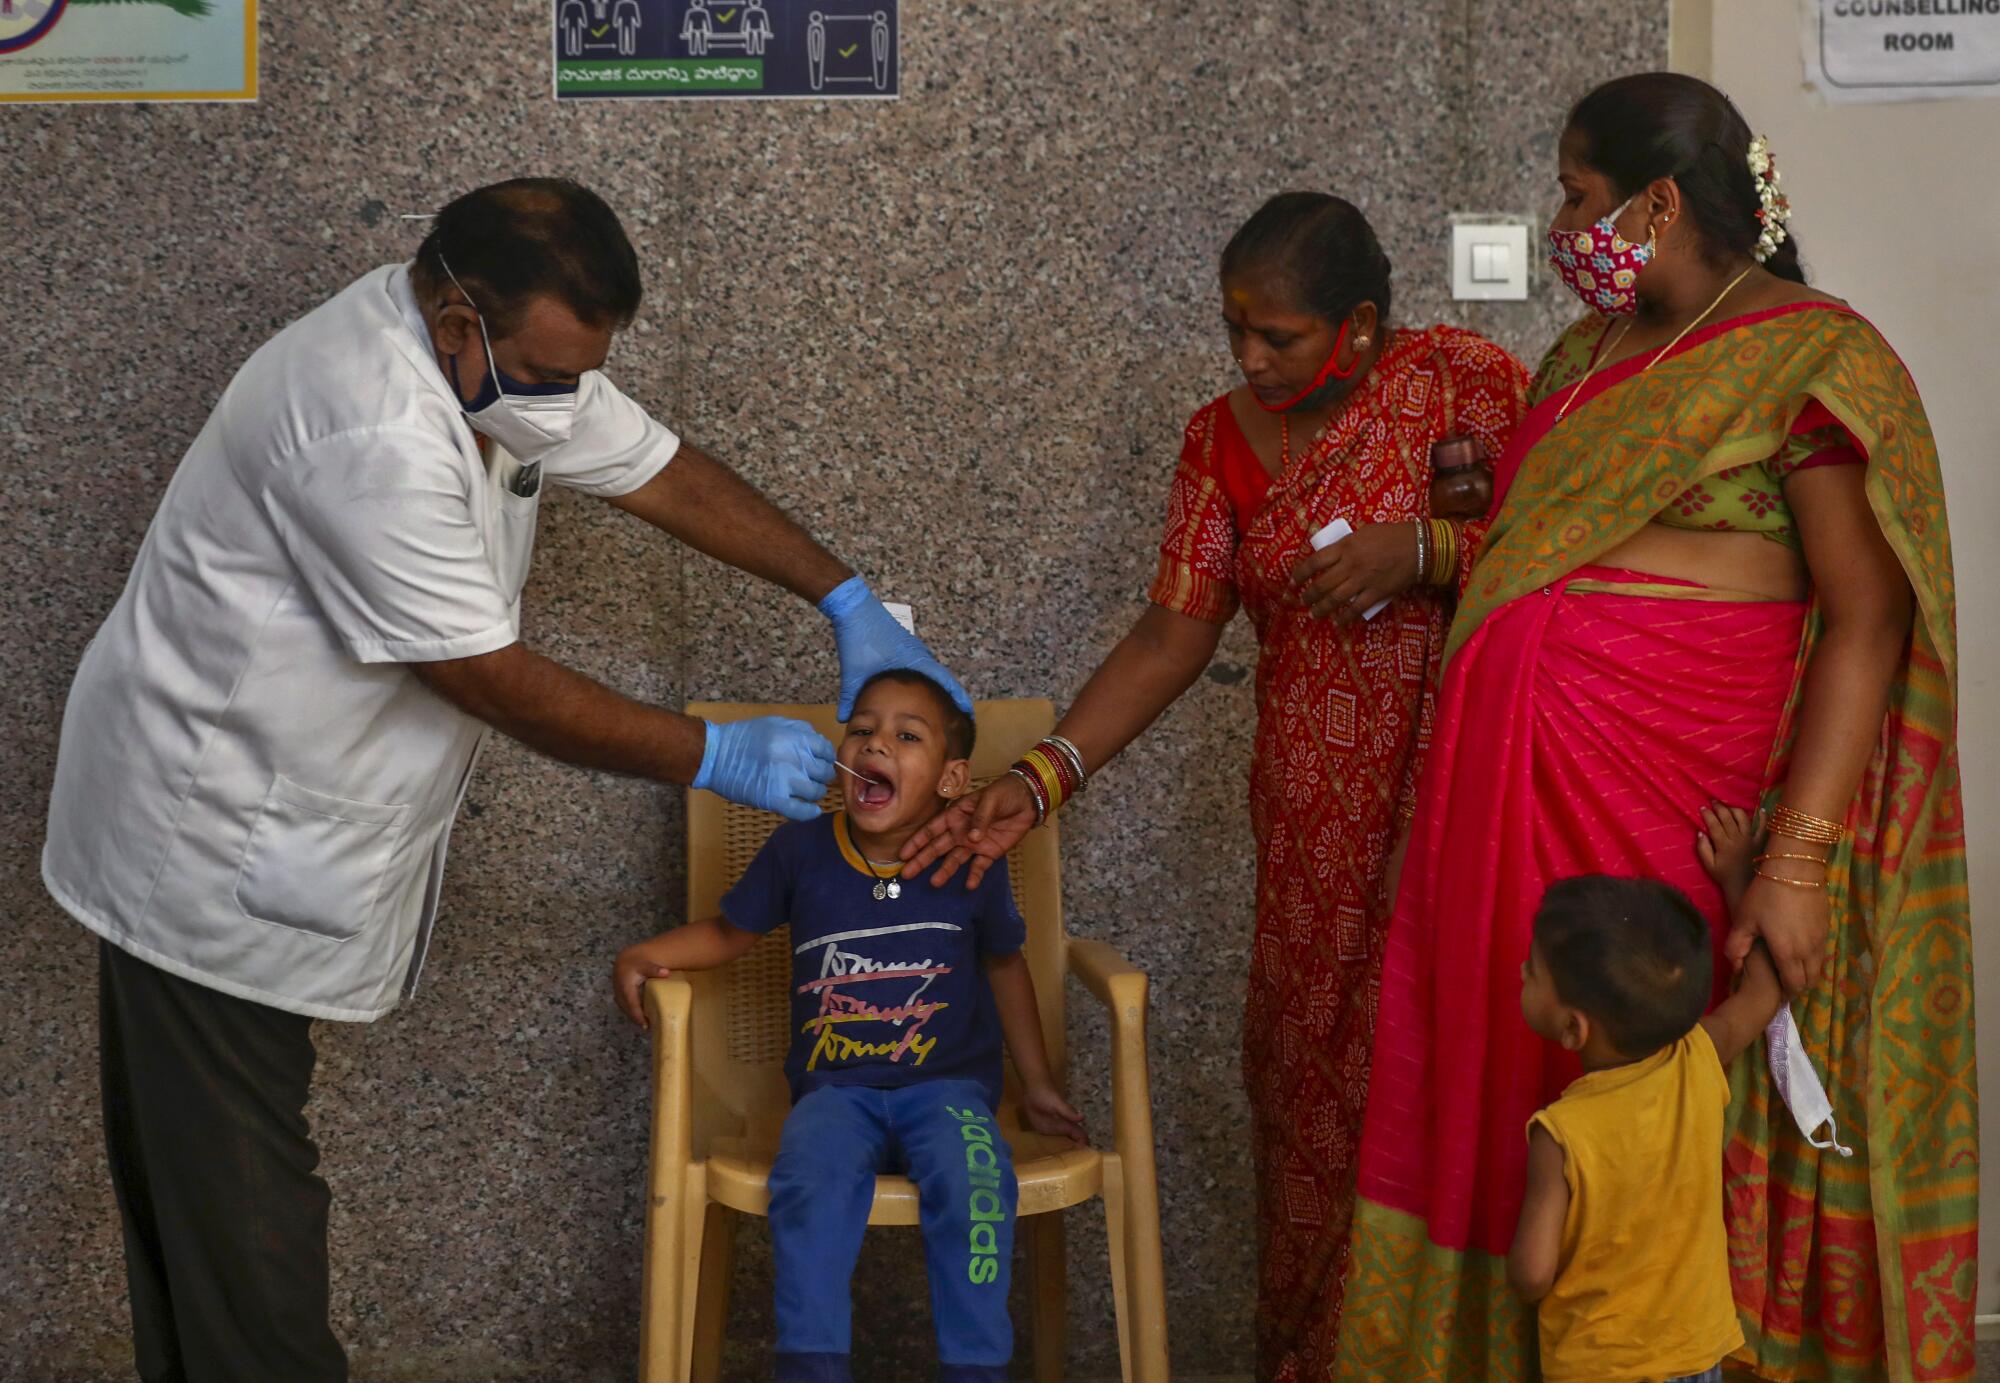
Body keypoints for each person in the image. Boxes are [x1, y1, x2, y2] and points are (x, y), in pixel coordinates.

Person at [43, 178, 969, 1383]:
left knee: (201, 1204)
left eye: (580, 371)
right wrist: (713, 754)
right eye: (544, 373)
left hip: (275, 821)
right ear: (454, 320)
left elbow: (658, 468)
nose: (562, 401)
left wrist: (840, 595)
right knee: (237, 1215)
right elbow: (484, 675)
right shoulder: (366, 423)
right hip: (204, 837)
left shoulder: (507, 363)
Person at [1336, 74, 1971, 1381]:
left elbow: (1866, 617)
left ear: (1659, 201)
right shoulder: (1581, 355)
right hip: (1502, 813)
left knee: (1654, 1100)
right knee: (1516, 1090)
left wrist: (1794, 857)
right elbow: (1538, 551)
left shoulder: (1812, 356)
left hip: (1669, 815)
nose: (1563, 220)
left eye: (1576, 194)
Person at [902, 192, 1529, 1380]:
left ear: (1356, 326)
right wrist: (1037, 782)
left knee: (1458, 1083)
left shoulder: (1466, 384)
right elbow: (1168, 637)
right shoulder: (1220, 441)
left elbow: (1569, 549)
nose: (1248, 355)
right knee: (1308, 1099)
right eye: (1233, 328)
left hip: (1469, 794)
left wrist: (1432, 549)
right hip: (1307, 823)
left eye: (1277, 336)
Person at [613, 670, 1085, 1383]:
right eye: (862, 728)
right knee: (809, 1179)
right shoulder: (800, 849)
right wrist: (647, 953)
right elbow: (727, 932)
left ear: (952, 778)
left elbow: (1005, 966)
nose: (876, 743)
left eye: (906, 734)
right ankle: (811, 1367)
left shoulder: (972, 861)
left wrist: (1040, 1083)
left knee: (977, 1183)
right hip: (835, 1095)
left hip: (949, 1090)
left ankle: (977, 1369)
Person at [1510, 808, 1785, 1383]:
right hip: (1695, 1351)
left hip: (1601, 1366)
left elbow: (1533, 1273)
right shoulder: (1700, 1059)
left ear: (1573, 1031)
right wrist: (1737, 879)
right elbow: (1764, 989)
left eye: (1532, 972)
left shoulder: (1560, 1133)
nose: (1520, 971)